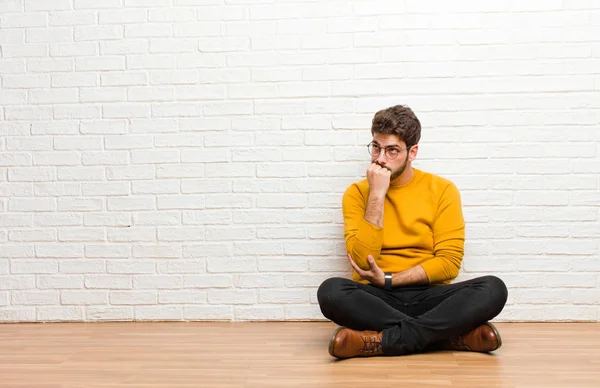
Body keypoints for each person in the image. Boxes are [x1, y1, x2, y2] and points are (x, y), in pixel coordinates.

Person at [317, 105, 508, 359]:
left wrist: (390, 279)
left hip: (429, 293)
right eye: (376, 147)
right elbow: (362, 261)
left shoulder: (442, 189)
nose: (380, 159)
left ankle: (379, 341)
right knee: (330, 292)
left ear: (412, 152)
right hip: (377, 297)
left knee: (493, 288)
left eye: (392, 150)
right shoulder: (357, 193)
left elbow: (449, 263)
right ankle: (449, 336)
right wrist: (376, 194)